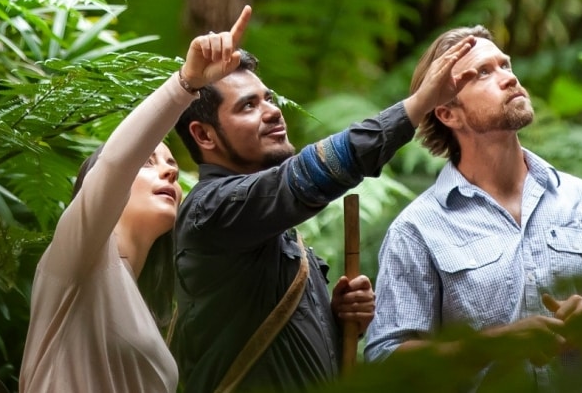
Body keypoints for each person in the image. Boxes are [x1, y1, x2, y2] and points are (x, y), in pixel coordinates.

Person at [171, 32, 479, 393]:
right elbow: (309, 175)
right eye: (248, 106)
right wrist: (416, 106)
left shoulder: (265, 223)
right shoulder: (213, 210)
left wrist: (334, 320)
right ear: (204, 136)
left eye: (269, 99)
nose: (272, 111)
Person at [364, 25, 582, 384]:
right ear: (448, 114)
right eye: (483, 73)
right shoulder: (417, 230)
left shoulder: (580, 200)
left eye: (505, 65)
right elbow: (385, 362)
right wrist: (491, 346)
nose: (509, 78)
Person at [18, 5, 253, 393]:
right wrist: (185, 83)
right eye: (147, 162)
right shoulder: (79, 261)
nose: (170, 172)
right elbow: (114, 162)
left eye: (172, 164)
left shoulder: (142, 298)